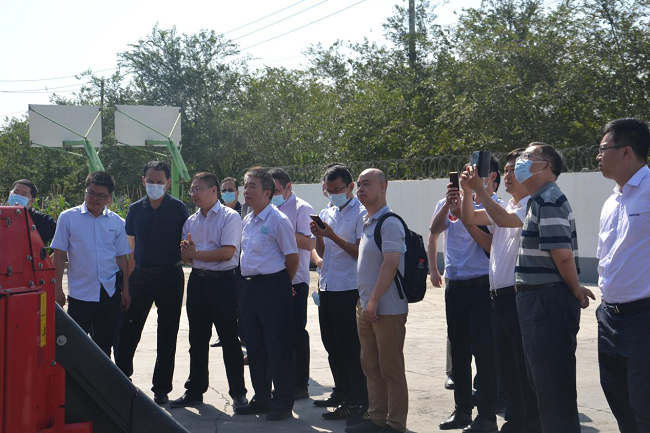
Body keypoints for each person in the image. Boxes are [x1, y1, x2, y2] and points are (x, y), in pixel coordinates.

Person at [514, 143, 595, 432]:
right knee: (544, 385)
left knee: (553, 389)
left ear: (546, 166)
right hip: (539, 299)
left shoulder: (548, 199)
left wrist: (575, 289)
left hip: (546, 300)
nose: (521, 161)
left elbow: (562, 255)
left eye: (528, 157)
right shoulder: (538, 200)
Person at [460, 149, 541, 433]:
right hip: (498, 297)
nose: (507, 175)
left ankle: (530, 424)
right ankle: (515, 421)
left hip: (519, 296)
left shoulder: (530, 204)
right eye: (505, 170)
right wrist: (467, 192)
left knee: (522, 367)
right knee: (507, 368)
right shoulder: (506, 206)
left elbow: (505, 221)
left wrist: (480, 191)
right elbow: (469, 217)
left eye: (513, 170)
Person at [431, 157, 500, 433]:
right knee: (459, 352)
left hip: (482, 286)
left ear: (490, 177)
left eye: (474, 173)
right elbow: (435, 229)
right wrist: (449, 206)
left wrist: (464, 213)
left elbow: (491, 246)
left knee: (484, 353)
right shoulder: (449, 201)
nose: (467, 177)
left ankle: (487, 415)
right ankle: (462, 410)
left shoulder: (493, 206)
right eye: (466, 172)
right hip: (456, 285)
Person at [170, 172, 248, 409]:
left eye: (199, 189)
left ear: (214, 190)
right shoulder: (191, 221)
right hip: (198, 282)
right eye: (192, 189)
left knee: (229, 339)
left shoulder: (229, 217)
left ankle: (238, 392)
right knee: (197, 339)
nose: (194, 194)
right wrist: (189, 254)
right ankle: (195, 390)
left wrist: (196, 254)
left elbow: (227, 252)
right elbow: (186, 258)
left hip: (224, 283)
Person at [116, 161, 189, 405]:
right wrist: (127, 285)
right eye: (150, 181)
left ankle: (161, 388)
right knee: (128, 330)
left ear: (168, 183)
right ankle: (122, 379)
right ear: (143, 180)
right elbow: (130, 249)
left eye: (159, 182)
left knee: (167, 333)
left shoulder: (178, 209)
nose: (154, 185)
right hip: (141, 276)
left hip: (171, 276)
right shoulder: (135, 209)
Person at [595, 118, 650, 433]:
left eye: (604, 149)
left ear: (627, 151)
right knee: (620, 402)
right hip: (609, 317)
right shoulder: (611, 201)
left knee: (644, 407)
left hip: (643, 317)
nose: (598, 156)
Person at [234, 167, 299, 421]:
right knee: (255, 346)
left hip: (273, 287)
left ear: (268, 192)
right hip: (249, 288)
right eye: (245, 185)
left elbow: (292, 258)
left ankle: (282, 402)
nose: (246, 191)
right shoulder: (248, 220)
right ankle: (261, 398)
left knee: (277, 346)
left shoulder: (278, 220)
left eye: (252, 186)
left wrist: (282, 285)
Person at [346, 168, 408, 433]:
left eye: (366, 184)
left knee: (391, 368)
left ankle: (395, 423)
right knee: (371, 366)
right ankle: (376, 418)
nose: (360, 189)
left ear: (383, 187)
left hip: (386, 308)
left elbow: (390, 264)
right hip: (367, 307)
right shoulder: (367, 221)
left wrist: (373, 300)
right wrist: (365, 303)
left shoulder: (390, 222)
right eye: (359, 184)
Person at [310, 164, 369, 425]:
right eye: (329, 190)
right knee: (332, 346)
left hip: (349, 288)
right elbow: (322, 253)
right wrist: (320, 236)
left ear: (350, 187)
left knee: (350, 349)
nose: (333, 194)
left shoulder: (361, 213)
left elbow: (360, 253)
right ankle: (342, 393)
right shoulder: (327, 211)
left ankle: (358, 401)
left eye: (338, 189)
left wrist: (332, 235)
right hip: (328, 287)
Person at [51, 171, 131, 357]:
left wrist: (125, 291)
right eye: (91, 193)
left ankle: (100, 377)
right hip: (80, 294)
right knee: (74, 346)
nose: (94, 198)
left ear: (109, 198)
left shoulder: (117, 222)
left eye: (100, 195)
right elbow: (60, 255)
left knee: (104, 346)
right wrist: (57, 289)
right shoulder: (68, 217)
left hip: (109, 292)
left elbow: (122, 258)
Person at [269, 167, 315, 400]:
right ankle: (283, 381)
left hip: (296, 280)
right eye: (269, 191)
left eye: (276, 190)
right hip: (272, 280)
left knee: (296, 332)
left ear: (288, 187)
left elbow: (309, 243)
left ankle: (300, 384)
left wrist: (282, 227)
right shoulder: (268, 208)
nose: (273, 195)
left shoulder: (302, 209)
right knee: (277, 334)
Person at [211, 176, 248, 348]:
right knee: (221, 302)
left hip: (240, 263)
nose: (227, 193)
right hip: (221, 264)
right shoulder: (216, 212)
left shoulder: (244, 211)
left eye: (230, 190)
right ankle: (223, 335)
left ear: (237, 192)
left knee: (241, 301)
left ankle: (243, 335)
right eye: (224, 190)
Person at [7, 179, 56, 244]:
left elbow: (64, 236)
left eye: (23, 195)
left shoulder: (43, 220)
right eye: (15, 193)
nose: (18, 196)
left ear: (32, 201)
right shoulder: (2, 214)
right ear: (9, 194)